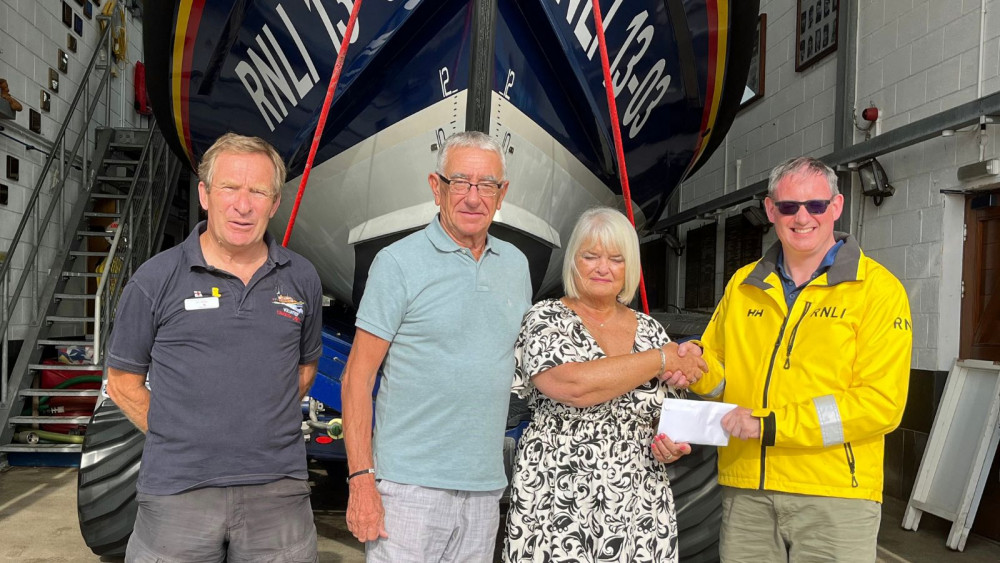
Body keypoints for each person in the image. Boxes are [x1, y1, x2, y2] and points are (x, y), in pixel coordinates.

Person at [106, 133, 323, 562]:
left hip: (278, 491)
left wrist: (254, 430)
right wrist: (183, 436)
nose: (243, 205)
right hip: (177, 492)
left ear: (275, 203)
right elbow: (122, 382)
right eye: (230, 188)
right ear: (205, 194)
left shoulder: (302, 278)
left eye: (258, 191)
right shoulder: (155, 280)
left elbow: (303, 370)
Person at [691, 157, 912, 562]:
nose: (803, 217)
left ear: (837, 207)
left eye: (816, 205)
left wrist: (772, 426)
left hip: (834, 497)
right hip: (747, 493)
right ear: (771, 210)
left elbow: (881, 404)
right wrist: (695, 364)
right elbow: (720, 375)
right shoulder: (744, 286)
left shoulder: (877, 291)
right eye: (789, 206)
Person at [341, 131, 533, 562]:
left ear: (502, 195)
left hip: (484, 490)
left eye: (487, 185)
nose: (473, 197)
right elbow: (357, 376)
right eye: (460, 182)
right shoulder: (397, 263)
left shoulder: (516, 266)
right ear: (436, 187)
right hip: (408, 488)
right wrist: (360, 479)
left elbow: (536, 363)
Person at [503, 207, 707, 563]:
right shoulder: (545, 317)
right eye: (591, 256)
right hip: (558, 495)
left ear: (629, 267)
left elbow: (667, 417)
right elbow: (573, 385)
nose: (602, 267)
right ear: (573, 262)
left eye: (616, 258)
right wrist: (661, 359)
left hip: (638, 498)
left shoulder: (650, 330)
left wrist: (670, 444)